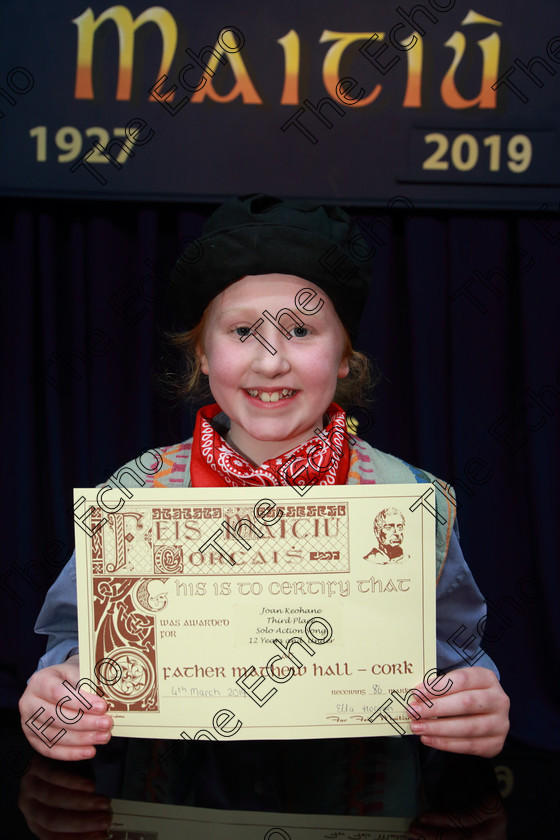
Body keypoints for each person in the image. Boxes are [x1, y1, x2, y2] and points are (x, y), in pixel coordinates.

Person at [19, 193, 509, 762]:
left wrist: (477, 703)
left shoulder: (411, 501)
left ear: (345, 356)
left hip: (359, 802)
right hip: (176, 802)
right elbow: (74, 644)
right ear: (202, 354)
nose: (271, 361)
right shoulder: (135, 494)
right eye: (242, 331)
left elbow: (459, 658)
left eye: (301, 331)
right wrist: (59, 688)